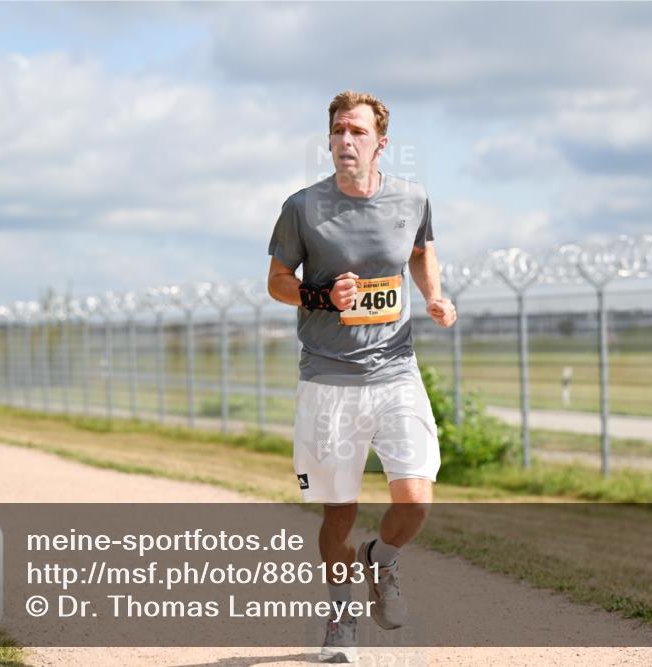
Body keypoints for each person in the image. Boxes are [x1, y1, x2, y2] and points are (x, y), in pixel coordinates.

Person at [267, 90, 456, 663]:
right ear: (328, 139)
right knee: (338, 512)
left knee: (417, 496)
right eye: (338, 132)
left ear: (380, 143)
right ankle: (341, 621)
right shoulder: (302, 207)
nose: (346, 141)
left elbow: (421, 251)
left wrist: (435, 296)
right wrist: (319, 294)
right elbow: (277, 280)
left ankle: (385, 557)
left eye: (357, 132)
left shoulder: (413, 198)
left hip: (395, 366)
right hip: (329, 375)